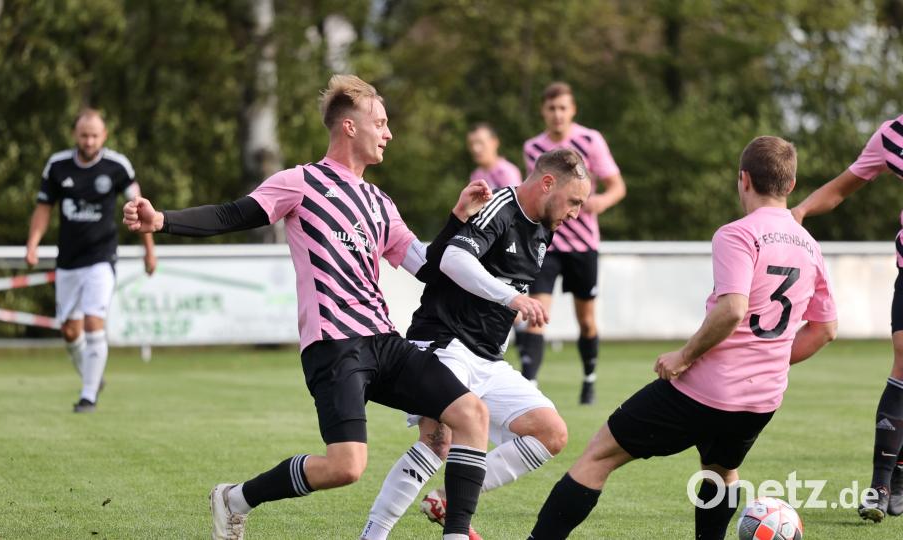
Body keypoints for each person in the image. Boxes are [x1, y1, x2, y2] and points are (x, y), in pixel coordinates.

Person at [123, 75, 493, 540]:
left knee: (470, 413)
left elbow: (426, 266)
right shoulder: (300, 182)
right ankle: (235, 499)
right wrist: (162, 220)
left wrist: (457, 220)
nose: (388, 133)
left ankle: (456, 534)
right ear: (349, 126)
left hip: (382, 340)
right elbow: (233, 214)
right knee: (346, 467)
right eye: (380, 123)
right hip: (333, 346)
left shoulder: (380, 202)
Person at [527, 136, 838, 540]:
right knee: (722, 469)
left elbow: (732, 308)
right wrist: (769, 359)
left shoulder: (738, 234)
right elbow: (825, 329)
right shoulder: (811, 246)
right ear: (791, 185)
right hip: (761, 399)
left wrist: (685, 355)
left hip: (706, 390)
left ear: (743, 179)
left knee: (598, 455)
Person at [360, 149, 590, 540]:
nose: (577, 213)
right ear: (548, 183)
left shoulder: (544, 227)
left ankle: (450, 498)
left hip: (488, 356)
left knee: (551, 432)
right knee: (438, 441)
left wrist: (510, 300)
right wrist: (511, 297)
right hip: (443, 341)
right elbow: (452, 260)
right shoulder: (499, 205)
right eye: (574, 202)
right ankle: (373, 536)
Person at [791, 113, 903, 522]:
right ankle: (880, 487)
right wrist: (799, 211)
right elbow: (840, 189)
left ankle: (900, 474)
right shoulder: (892, 134)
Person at [25, 108, 157, 414]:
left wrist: (149, 250)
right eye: (84, 135)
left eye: (95, 135)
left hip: (102, 256)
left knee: (93, 321)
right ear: (75, 135)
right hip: (68, 259)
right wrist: (32, 244)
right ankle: (93, 377)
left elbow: (140, 209)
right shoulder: (57, 166)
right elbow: (43, 208)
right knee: (70, 332)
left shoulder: (117, 166)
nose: (89, 141)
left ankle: (88, 396)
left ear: (104, 136)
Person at [517, 81, 626, 403]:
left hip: (583, 244)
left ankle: (589, 379)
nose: (557, 114)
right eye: (551, 108)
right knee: (536, 314)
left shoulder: (590, 140)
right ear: (543, 111)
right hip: (546, 243)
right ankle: (529, 388)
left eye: (562, 108)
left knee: (586, 320)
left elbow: (617, 186)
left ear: (572, 110)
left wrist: (600, 202)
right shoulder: (533, 148)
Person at [467, 123, 522, 190]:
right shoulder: (475, 175)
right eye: (471, 144)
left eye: (480, 142)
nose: (475, 149)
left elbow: (515, 199)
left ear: (494, 142)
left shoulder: (507, 172)